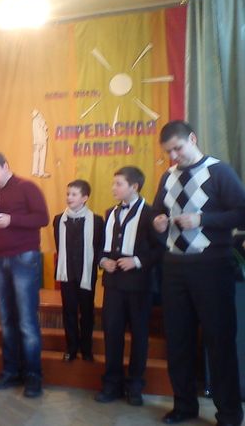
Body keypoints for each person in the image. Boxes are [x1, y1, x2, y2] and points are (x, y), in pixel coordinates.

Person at [152, 121, 245, 426]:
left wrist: (203, 219)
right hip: (174, 268)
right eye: (168, 152)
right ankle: (184, 406)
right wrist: (157, 221)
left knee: (220, 342)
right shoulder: (167, 176)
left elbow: (242, 213)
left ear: (193, 139)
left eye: (178, 148)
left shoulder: (219, 172)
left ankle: (229, 414)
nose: (174, 156)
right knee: (178, 340)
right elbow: (157, 212)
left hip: (212, 267)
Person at [0, 150, 49, 398]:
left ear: (6, 166)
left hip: (24, 258)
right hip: (0, 259)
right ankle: (10, 372)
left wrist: (12, 220)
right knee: (6, 320)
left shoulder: (27, 187)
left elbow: (43, 218)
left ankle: (33, 377)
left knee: (27, 321)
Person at [95, 166, 162, 407]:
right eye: (113, 183)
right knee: (112, 334)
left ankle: (135, 385)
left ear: (134, 187)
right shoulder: (110, 212)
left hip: (139, 285)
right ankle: (112, 383)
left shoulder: (151, 214)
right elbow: (101, 246)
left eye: (118, 184)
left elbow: (160, 248)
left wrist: (137, 261)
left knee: (139, 336)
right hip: (113, 284)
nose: (113, 188)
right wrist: (103, 260)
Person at [53, 179, 104, 363]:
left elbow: (98, 247)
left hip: (86, 273)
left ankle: (86, 349)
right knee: (69, 311)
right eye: (68, 194)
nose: (69, 197)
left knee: (87, 312)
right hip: (67, 273)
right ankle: (71, 347)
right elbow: (59, 246)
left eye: (74, 194)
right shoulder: (58, 219)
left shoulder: (96, 221)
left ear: (84, 198)